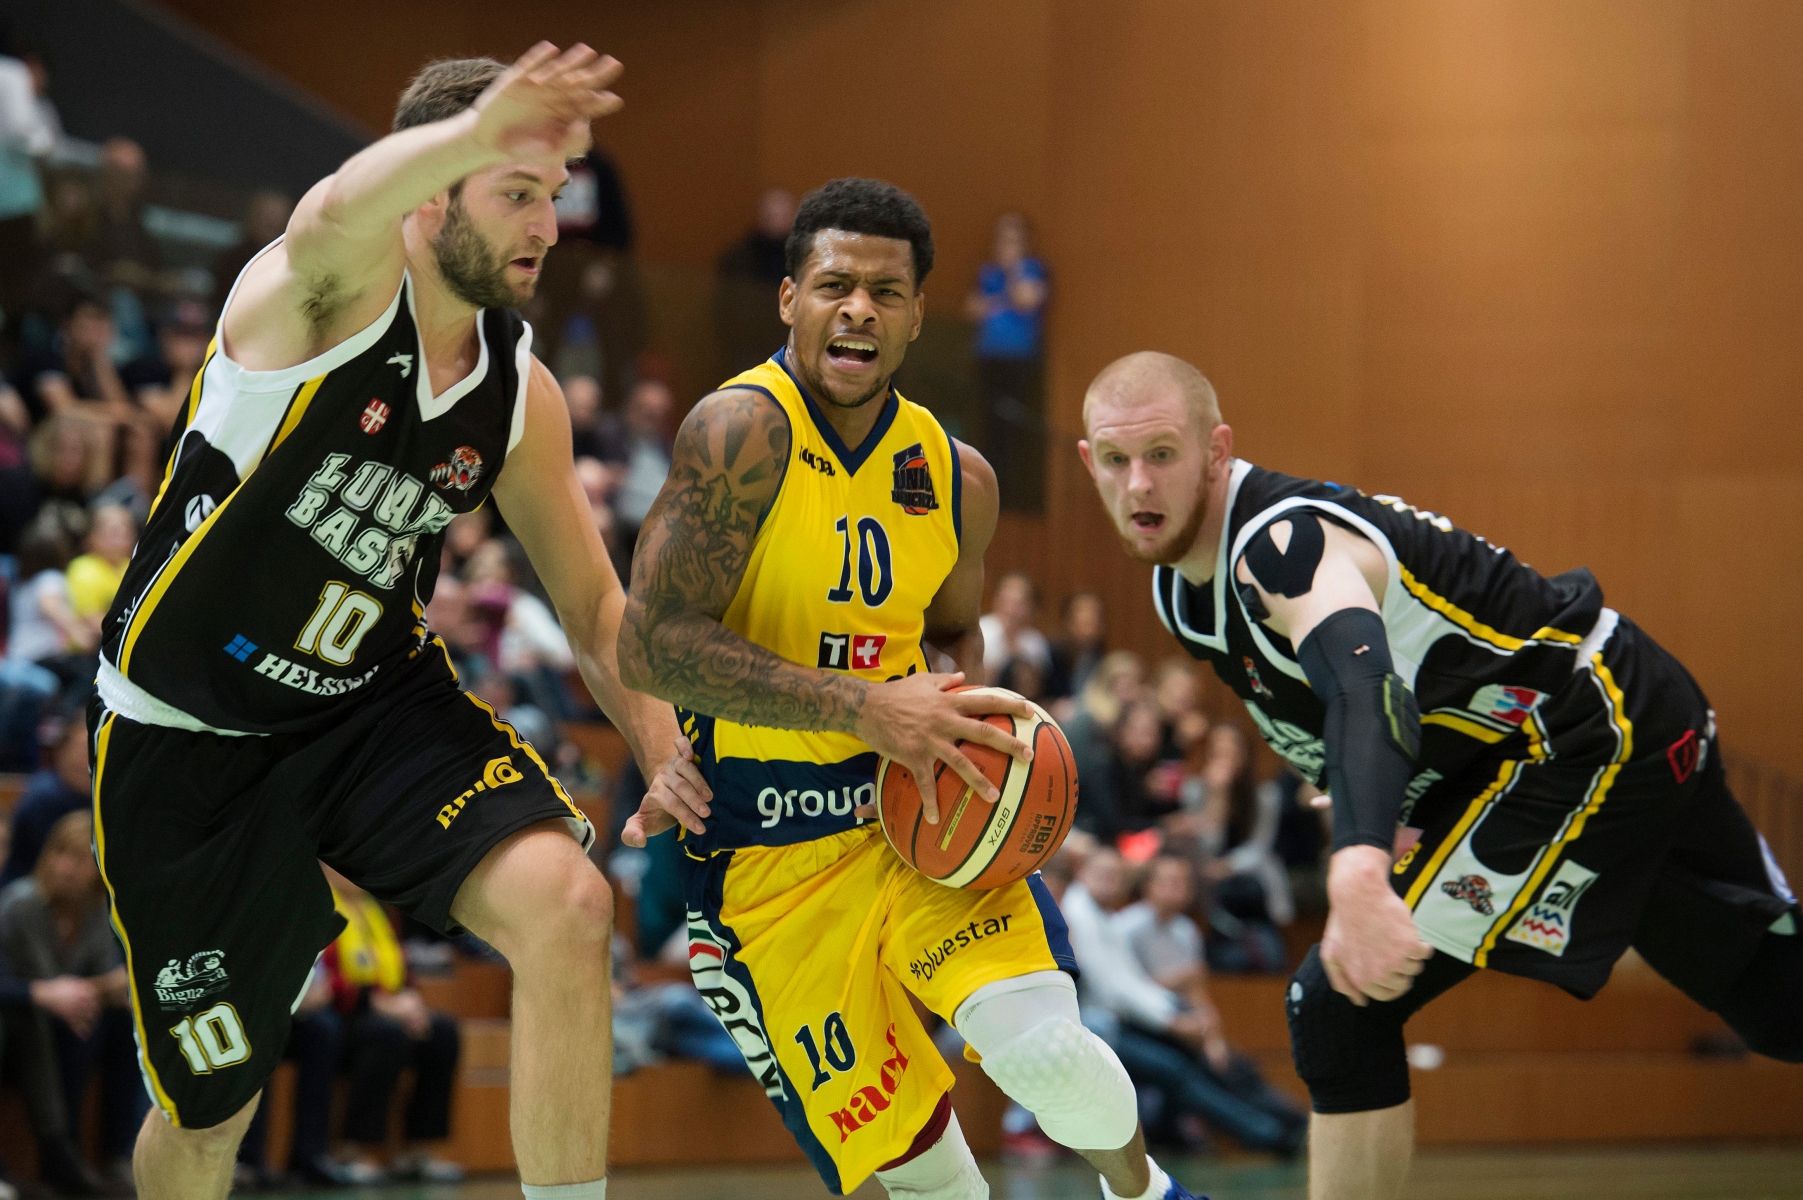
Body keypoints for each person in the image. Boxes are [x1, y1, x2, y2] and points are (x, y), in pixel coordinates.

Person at [87, 46, 708, 1200]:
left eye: (552, 198)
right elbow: (335, 205)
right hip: (189, 733)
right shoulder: (313, 296)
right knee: (209, 1120)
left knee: (570, 908)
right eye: (518, 192)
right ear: (433, 190)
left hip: (369, 706)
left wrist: (663, 747)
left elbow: (591, 602)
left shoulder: (519, 392)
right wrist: (481, 128)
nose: (548, 227)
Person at [1079, 350, 1803, 1200]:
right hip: (1600, 717)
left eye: (1161, 454)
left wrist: (1357, 860)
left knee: (1338, 1004)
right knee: (1778, 1006)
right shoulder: (1178, 588)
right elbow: (1333, 714)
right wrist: (1386, 800)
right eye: (1117, 461)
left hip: (1581, 733)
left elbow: (1363, 687)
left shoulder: (1281, 544)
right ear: (1089, 463)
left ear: (1216, 451)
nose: (1138, 487)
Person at [618, 177, 1202, 1200]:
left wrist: (955, 711)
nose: (860, 310)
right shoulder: (737, 432)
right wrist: (854, 708)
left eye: (886, 293)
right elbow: (650, 643)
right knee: (932, 1180)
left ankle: (1146, 1193)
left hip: (914, 815)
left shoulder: (958, 475)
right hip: (765, 861)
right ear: (789, 298)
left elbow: (948, 638)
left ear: (919, 314)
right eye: (835, 285)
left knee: (1043, 1050)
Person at [1058, 849, 1301, 1159]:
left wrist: (1185, 1019)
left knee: (1217, 1061)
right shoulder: (1083, 914)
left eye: (1118, 876)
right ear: (1082, 873)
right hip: (1099, 1030)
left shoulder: (1103, 915)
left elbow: (1135, 983)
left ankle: (1282, 1125)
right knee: (1175, 1068)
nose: (1113, 883)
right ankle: (1268, 1135)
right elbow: (1115, 989)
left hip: (1121, 1022)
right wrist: (1172, 1019)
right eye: (1103, 875)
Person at [0, 811, 141, 1195]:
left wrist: (104, 989)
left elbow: (100, 979)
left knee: (121, 1029)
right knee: (57, 1026)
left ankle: (116, 1155)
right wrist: (68, 992)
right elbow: (35, 984)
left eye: (80, 860)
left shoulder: (96, 910)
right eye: (60, 853)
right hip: (23, 1020)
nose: (65, 868)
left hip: (60, 1018)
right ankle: (59, 1151)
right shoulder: (20, 905)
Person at [321, 867, 463, 1184]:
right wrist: (374, 1003)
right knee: (385, 1036)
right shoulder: (318, 904)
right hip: (344, 1014)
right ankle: (356, 1149)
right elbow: (321, 976)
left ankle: (418, 1151)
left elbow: (400, 962)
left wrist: (412, 1002)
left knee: (441, 1032)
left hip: (385, 1006)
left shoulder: (378, 909)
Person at [964, 213, 1048, 513]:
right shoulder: (988, 273)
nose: (1005, 245)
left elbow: (1027, 299)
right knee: (988, 426)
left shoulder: (1032, 269)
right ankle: (985, 494)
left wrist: (1012, 272)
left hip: (1019, 358)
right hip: (988, 356)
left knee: (1012, 425)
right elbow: (972, 308)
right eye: (1001, 239)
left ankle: (1011, 498)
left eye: (1012, 239)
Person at [715, 187, 798, 377]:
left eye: (782, 213)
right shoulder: (738, 258)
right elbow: (725, 308)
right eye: (771, 213)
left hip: (791, 345)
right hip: (748, 350)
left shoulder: (803, 260)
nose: (776, 219)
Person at [977, 571, 1051, 689]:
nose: (1011, 610)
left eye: (1019, 603)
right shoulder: (980, 631)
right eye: (1007, 601)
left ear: (1030, 606)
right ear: (996, 600)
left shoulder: (1035, 641)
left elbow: (1036, 688)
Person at [1046, 591, 1106, 701]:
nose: (1089, 629)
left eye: (1094, 620)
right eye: (1085, 622)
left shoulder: (1102, 661)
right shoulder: (1048, 657)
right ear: (1068, 621)